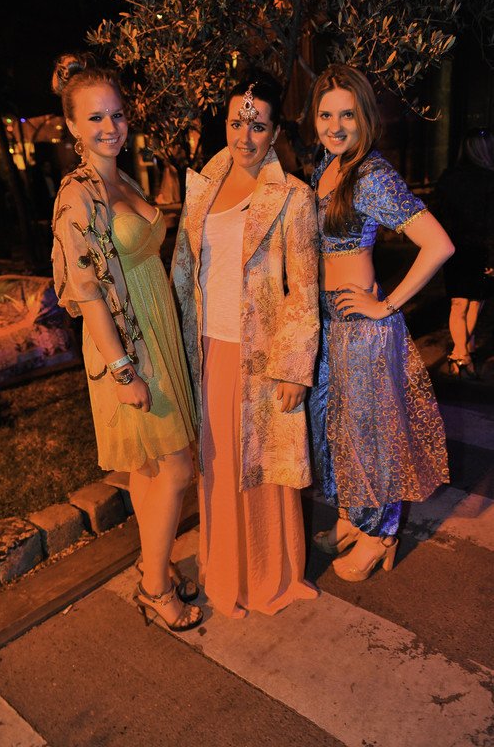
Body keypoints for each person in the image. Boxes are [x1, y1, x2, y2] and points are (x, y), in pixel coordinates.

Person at [51, 53, 202, 632]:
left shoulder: (123, 177)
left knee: (153, 467)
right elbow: (86, 291)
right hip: (127, 344)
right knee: (177, 466)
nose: (109, 127)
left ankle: (151, 563)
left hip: (154, 328)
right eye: (94, 118)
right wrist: (122, 369)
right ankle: (155, 588)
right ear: (71, 125)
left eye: (115, 114)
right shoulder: (77, 195)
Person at [172, 73, 320, 617]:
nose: (245, 135)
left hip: (262, 354)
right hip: (208, 350)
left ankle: (267, 576)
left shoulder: (293, 197)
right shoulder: (203, 186)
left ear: (275, 131)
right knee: (217, 466)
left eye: (258, 126)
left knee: (261, 469)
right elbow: (184, 270)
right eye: (237, 122)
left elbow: (304, 288)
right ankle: (222, 571)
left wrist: (294, 368)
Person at [307, 64, 455, 582]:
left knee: (371, 435)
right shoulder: (326, 166)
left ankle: (380, 534)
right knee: (335, 430)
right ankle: (353, 518)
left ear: (366, 116)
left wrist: (386, 305)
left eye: (347, 115)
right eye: (326, 114)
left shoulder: (373, 175)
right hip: (327, 323)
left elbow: (438, 245)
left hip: (361, 327)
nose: (335, 126)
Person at [433, 128, 494, 378]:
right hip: (480, 249)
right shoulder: (489, 179)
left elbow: (438, 214)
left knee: (460, 303)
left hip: (456, 247)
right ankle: (462, 353)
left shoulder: (449, 178)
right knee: (472, 304)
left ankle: (461, 355)